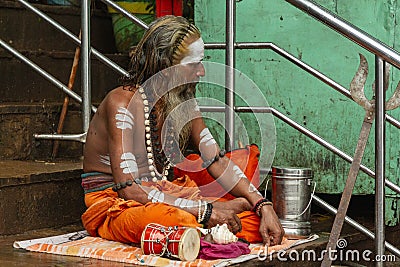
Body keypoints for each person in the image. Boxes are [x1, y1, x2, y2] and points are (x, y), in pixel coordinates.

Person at [81, 15, 284, 247]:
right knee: (178, 221)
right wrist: (206, 212)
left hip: (168, 194)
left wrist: (262, 205)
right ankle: (210, 218)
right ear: (167, 69)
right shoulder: (123, 104)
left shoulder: (183, 101)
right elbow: (130, 191)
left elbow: (216, 161)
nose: (202, 72)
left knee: (250, 210)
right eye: (193, 65)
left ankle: (212, 219)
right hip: (118, 204)